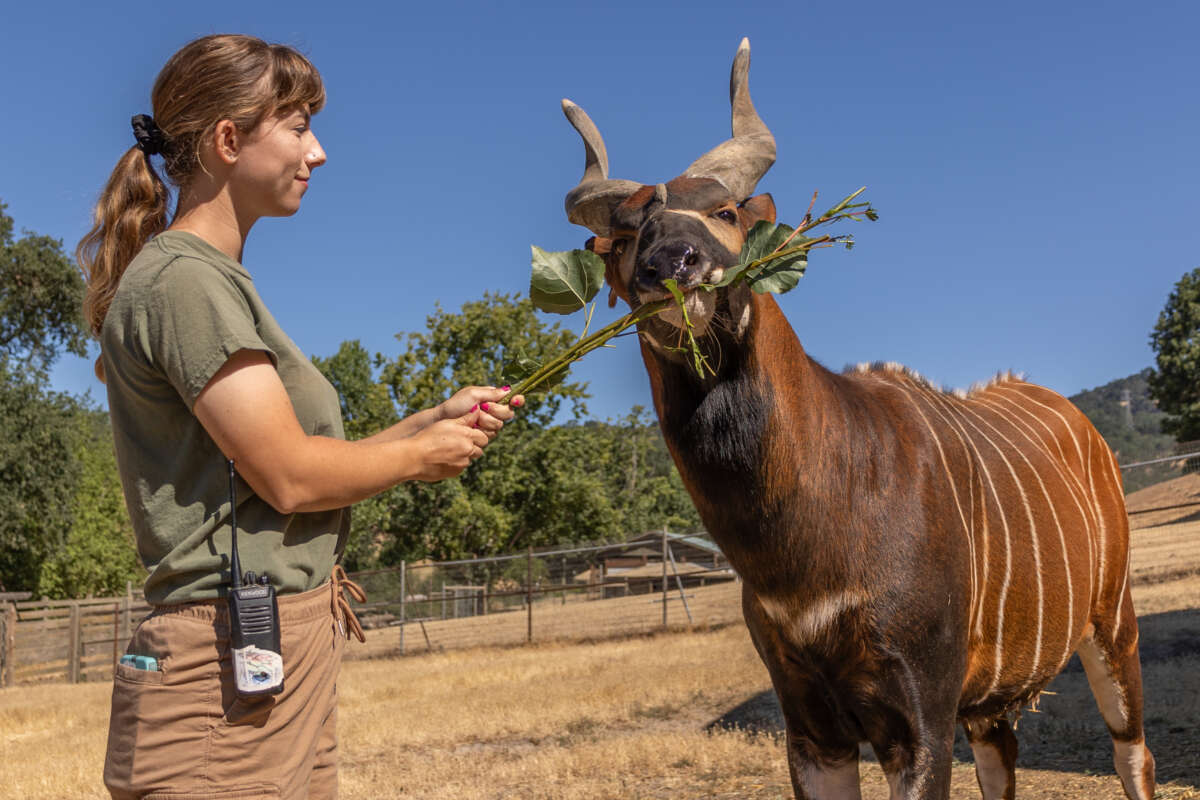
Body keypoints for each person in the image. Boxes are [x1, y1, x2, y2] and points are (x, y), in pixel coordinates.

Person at [77, 33, 522, 799]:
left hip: (278, 651)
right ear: (227, 140)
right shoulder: (185, 282)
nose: (317, 153)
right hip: (221, 674)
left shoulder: (213, 280)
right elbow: (287, 478)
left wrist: (428, 421)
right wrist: (423, 457)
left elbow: (293, 460)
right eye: (298, 126)